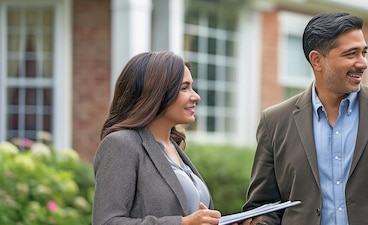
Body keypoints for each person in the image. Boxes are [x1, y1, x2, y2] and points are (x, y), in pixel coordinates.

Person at [243, 12, 368, 225]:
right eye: (351, 54)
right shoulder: (274, 122)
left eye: (364, 53)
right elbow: (263, 207)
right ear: (317, 60)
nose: (363, 63)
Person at [92, 51, 261, 225]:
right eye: (184, 88)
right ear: (156, 92)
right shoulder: (121, 144)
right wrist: (183, 223)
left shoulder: (174, 147)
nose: (196, 96)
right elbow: (106, 221)